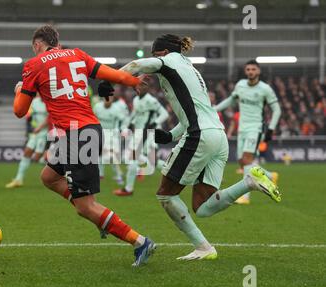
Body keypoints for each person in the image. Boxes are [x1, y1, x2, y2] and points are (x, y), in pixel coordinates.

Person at [99, 34, 281, 260]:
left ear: (162, 52)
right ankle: (249, 182)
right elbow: (191, 113)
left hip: (200, 135)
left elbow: (138, 64)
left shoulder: (168, 61)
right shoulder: (191, 70)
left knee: (166, 195)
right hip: (218, 135)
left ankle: (203, 247)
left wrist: (109, 80)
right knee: (202, 207)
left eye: (155, 54)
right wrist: (169, 135)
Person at [13, 25, 156, 267]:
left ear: (38, 44)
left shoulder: (34, 64)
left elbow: (19, 111)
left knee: (85, 207)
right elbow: (110, 74)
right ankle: (101, 219)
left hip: (76, 136)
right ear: (57, 42)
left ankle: (140, 241)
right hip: (85, 130)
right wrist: (134, 81)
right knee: (48, 177)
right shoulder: (77, 55)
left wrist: (19, 90)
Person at [215, 60, 282, 204]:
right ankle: (270, 176)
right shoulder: (240, 85)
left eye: (253, 69)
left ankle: (245, 197)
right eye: (248, 69)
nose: (251, 71)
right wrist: (213, 109)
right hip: (242, 128)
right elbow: (230, 101)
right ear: (246, 72)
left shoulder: (265, 89)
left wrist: (271, 128)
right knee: (242, 162)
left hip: (255, 128)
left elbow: (277, 110)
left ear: (258, 71)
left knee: (246, 160)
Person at [114, 84, 169, 196]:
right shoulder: (136, 100)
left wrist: (155, 123)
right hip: (139, 133)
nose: (139, 88)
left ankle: (129, 189)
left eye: (143, 86)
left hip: (148, 133)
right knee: (152, 161)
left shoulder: (151, 100)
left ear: (147, 88)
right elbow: (135, 116)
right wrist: (128, 126)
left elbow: (165, 114)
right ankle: (175, 173)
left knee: (135, 157)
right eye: (137, 86)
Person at [6, 94, 49, 188]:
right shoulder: (34, 102)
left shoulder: (49, 102)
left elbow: (50, 118)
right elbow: (28, 114)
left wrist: (40, 127)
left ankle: (61, 171)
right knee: (27, 152)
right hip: (34, 133)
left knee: (37, 158)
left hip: (44, 133)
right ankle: (19, 179)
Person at [92, 97, 125, 185]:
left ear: (112, 100)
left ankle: (119, 176)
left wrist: (122, 130)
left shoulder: (116, 109)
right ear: (103, 99)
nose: (108, 101)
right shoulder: (97, 107)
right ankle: (100, 174)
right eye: (106, 99)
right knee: (99, 154)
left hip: (112, 134)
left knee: (112, 156)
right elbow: (93, 117)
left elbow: (123, 120)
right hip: (100, 132)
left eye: (110, 99)